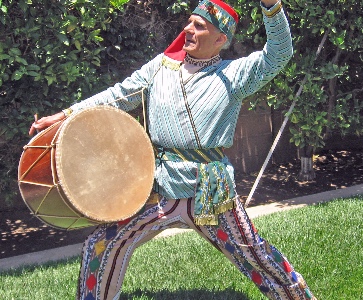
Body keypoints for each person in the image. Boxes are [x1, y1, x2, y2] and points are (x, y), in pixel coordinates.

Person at [29, 0, 317, 299]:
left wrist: (271, 6)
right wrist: (66, 114)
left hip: (208, 191)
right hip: (158, 187)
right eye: (189, 22)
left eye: (199, 26)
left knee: (255, 254)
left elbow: (280, 53)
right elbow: (118, 96)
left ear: (220, 39)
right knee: (101, 245)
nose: (187, 29)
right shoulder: (160, 67)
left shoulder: (235, 75)